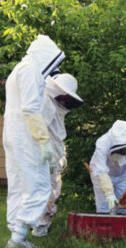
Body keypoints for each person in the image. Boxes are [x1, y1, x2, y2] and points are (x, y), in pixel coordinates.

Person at [3, 34, 65, 248]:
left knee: (20, 185)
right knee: (39, 185)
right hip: (26, 135)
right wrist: (43, 140)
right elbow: (30, 109)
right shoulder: (30, 71)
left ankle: (16, 236)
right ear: (46, 56)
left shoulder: (19, 69)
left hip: (13, 133)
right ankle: (18, 240)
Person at [31, 72, 83, 237]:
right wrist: (47, 155)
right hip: (47, 155)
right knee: (48, 192)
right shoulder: (47, 102)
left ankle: (41, 226)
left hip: (54, 154)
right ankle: (39, 228)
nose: (66, 100)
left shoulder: (54, 105)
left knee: (52, 191)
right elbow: (39, 131)